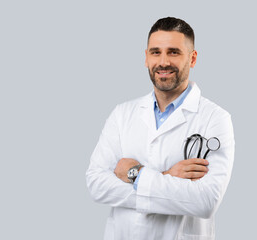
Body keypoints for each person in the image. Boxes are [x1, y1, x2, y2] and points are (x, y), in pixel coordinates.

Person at [86, 17, 235, 240]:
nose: (163, 62)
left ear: (192, 58)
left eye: (174, 52)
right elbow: (97, 184)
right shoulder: (122, 113)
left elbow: (206, 201)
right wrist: (166, 177)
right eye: (156, 52)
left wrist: (134, 175)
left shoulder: (215, 118)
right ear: (146, 58)